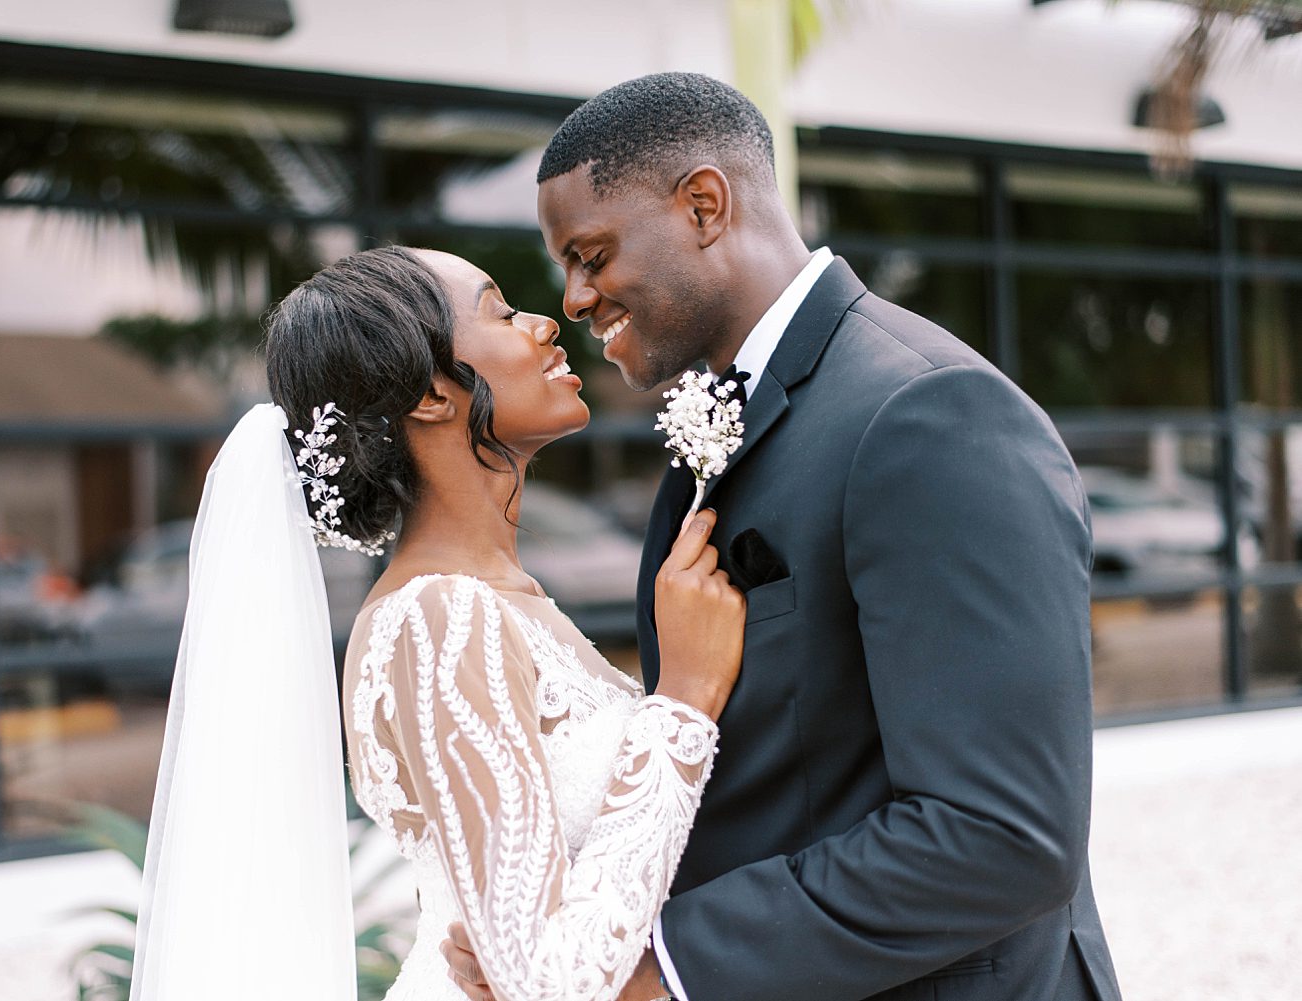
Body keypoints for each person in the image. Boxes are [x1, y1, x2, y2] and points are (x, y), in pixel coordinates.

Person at [444, 72, 1122, 1001]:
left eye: (592, 255)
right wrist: (569, 924)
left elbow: (1002, 835)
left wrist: (665, 966)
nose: (573, 297)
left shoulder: (926, 413)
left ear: (704, 206)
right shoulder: (718, 419)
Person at [127, 244, 746, 1001]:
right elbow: (550, 980)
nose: (547, 323)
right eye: (500, 310)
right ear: (428, 394)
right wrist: (681, 702)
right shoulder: (438, 618)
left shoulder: (501, 600)